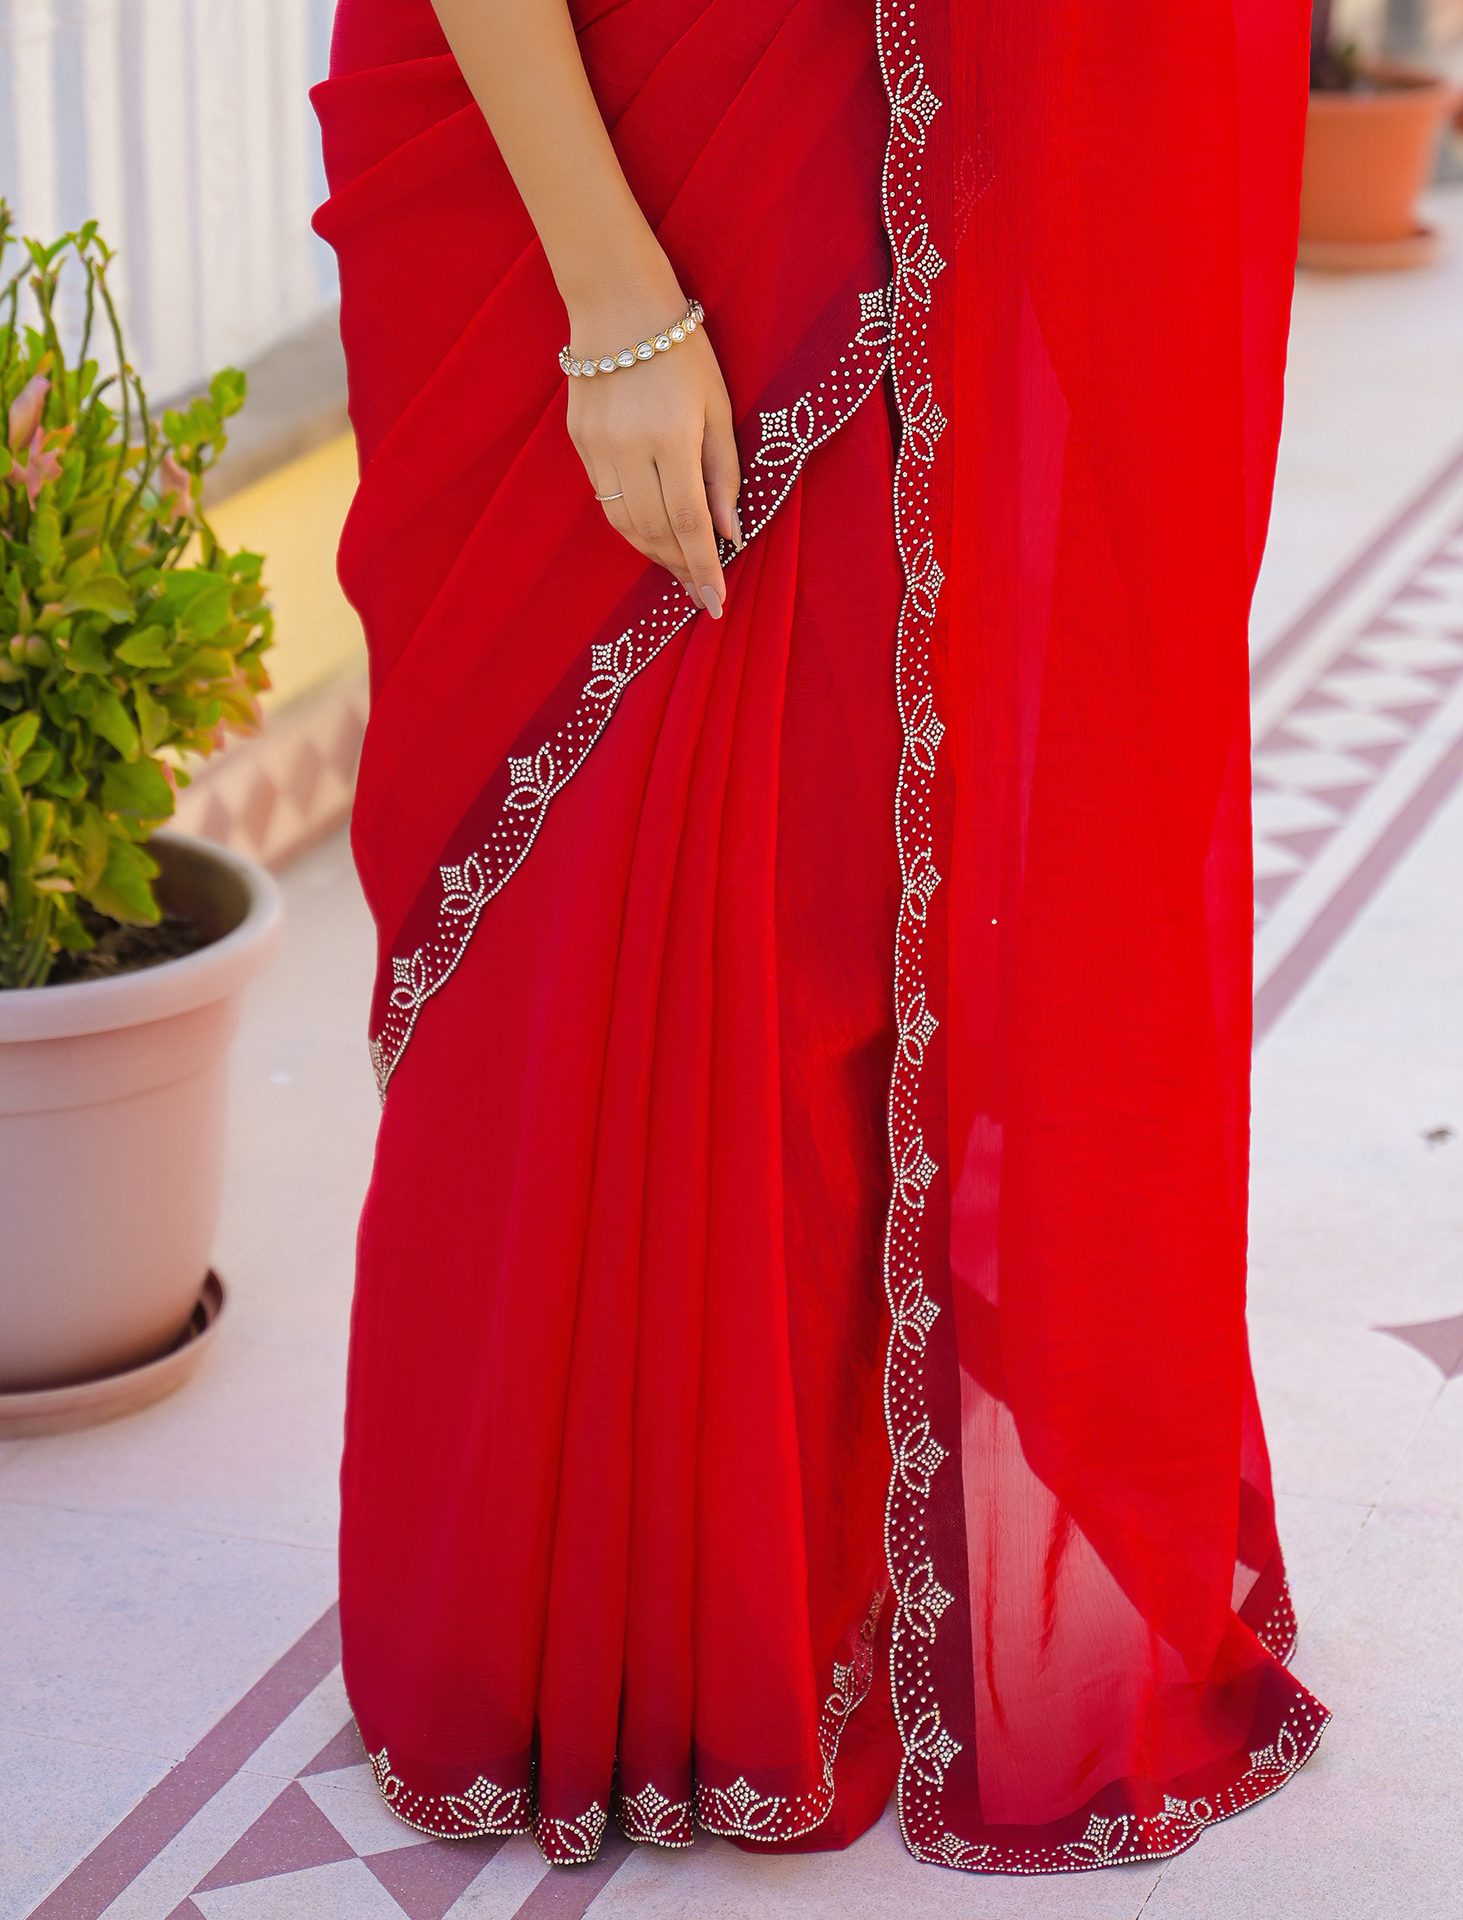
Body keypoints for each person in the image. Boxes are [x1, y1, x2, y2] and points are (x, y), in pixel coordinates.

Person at [311, 0, 1330, 1874]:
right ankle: (592, 1628)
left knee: (829, 904)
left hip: (923, 132)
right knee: (602, 901)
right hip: (624, 146)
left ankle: (799, 1612)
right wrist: (615, 301)